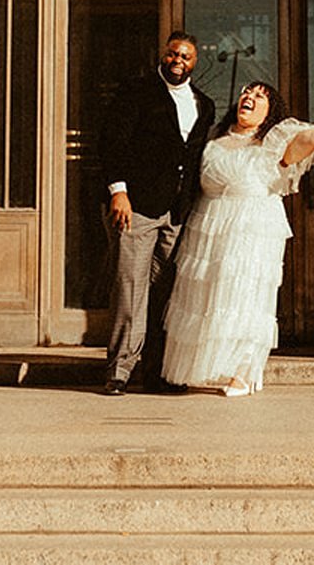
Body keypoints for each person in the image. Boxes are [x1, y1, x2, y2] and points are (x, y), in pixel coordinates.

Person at [159, 81, 314, 397]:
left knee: (243, 296)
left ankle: (243, 372)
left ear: (271, 112)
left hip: (250, 227)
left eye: (260, 97)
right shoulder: (214, 137)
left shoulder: (274, 143)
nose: (250, 98)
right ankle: (201, 367)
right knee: (206, 294)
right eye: (246, 93)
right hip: (209, 225)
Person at [97, 33, 215, 395]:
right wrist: (119, 192)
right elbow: (112, 141)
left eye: (186, 56)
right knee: (130, 290)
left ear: (196, 63)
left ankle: (158, 372)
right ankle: (119, 371)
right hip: (138, 208)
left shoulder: (204, 104)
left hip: (178, 213)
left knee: (167, 295)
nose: (178, 60)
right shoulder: (137, 90)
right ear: (163, 56)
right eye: (173, 53)